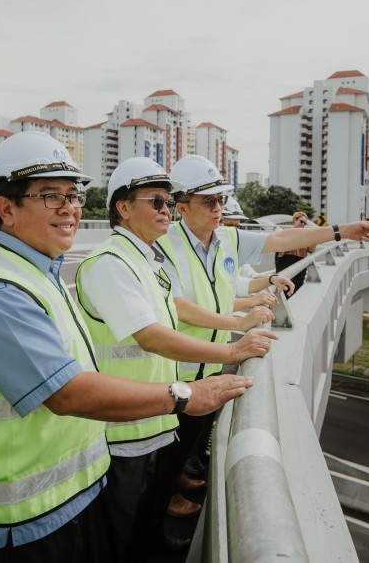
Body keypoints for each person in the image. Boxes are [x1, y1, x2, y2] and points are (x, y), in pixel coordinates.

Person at [0, 133, 256, 562]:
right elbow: (67, 391)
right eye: (51, 196)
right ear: (7, 208)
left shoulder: (40, 272)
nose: (70, 208)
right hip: (19, 521)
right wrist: (186, 393)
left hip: (70, 491)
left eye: (74, 196)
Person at [155, 155, 369, 526]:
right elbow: (180, 308)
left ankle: (171, 495)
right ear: (182, 207)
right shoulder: (166, 245)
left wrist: (342, 231)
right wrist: (238, 321)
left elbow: (283, 238)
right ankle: (162, 516)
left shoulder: (226, 238)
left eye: (221, 200)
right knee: (166, 451)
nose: (218, 208)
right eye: (209, 201)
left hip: (208, 365)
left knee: (186, 444)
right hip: (176, 366)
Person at [74, 157, 277, 559]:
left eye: (169, 202)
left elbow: (180, 311)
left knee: (149, 518)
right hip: (123, 432)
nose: (168, 210)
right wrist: (232, 349)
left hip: (152, 420)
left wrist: (235, 321)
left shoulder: (148, 263)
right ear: (124, 207)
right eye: (156, 202)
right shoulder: (112, 264)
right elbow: (152, 337)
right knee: (121, 536)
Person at [273, 211, 318, 292]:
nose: (303, 224)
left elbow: (311, 250)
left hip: (301, 261)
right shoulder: (286, 232)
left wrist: (315, 239)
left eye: (305, 223)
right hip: (286, 261)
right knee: (284, 289)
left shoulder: (306, 235)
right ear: (295, 220)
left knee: (297, 288)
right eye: (301, 221)